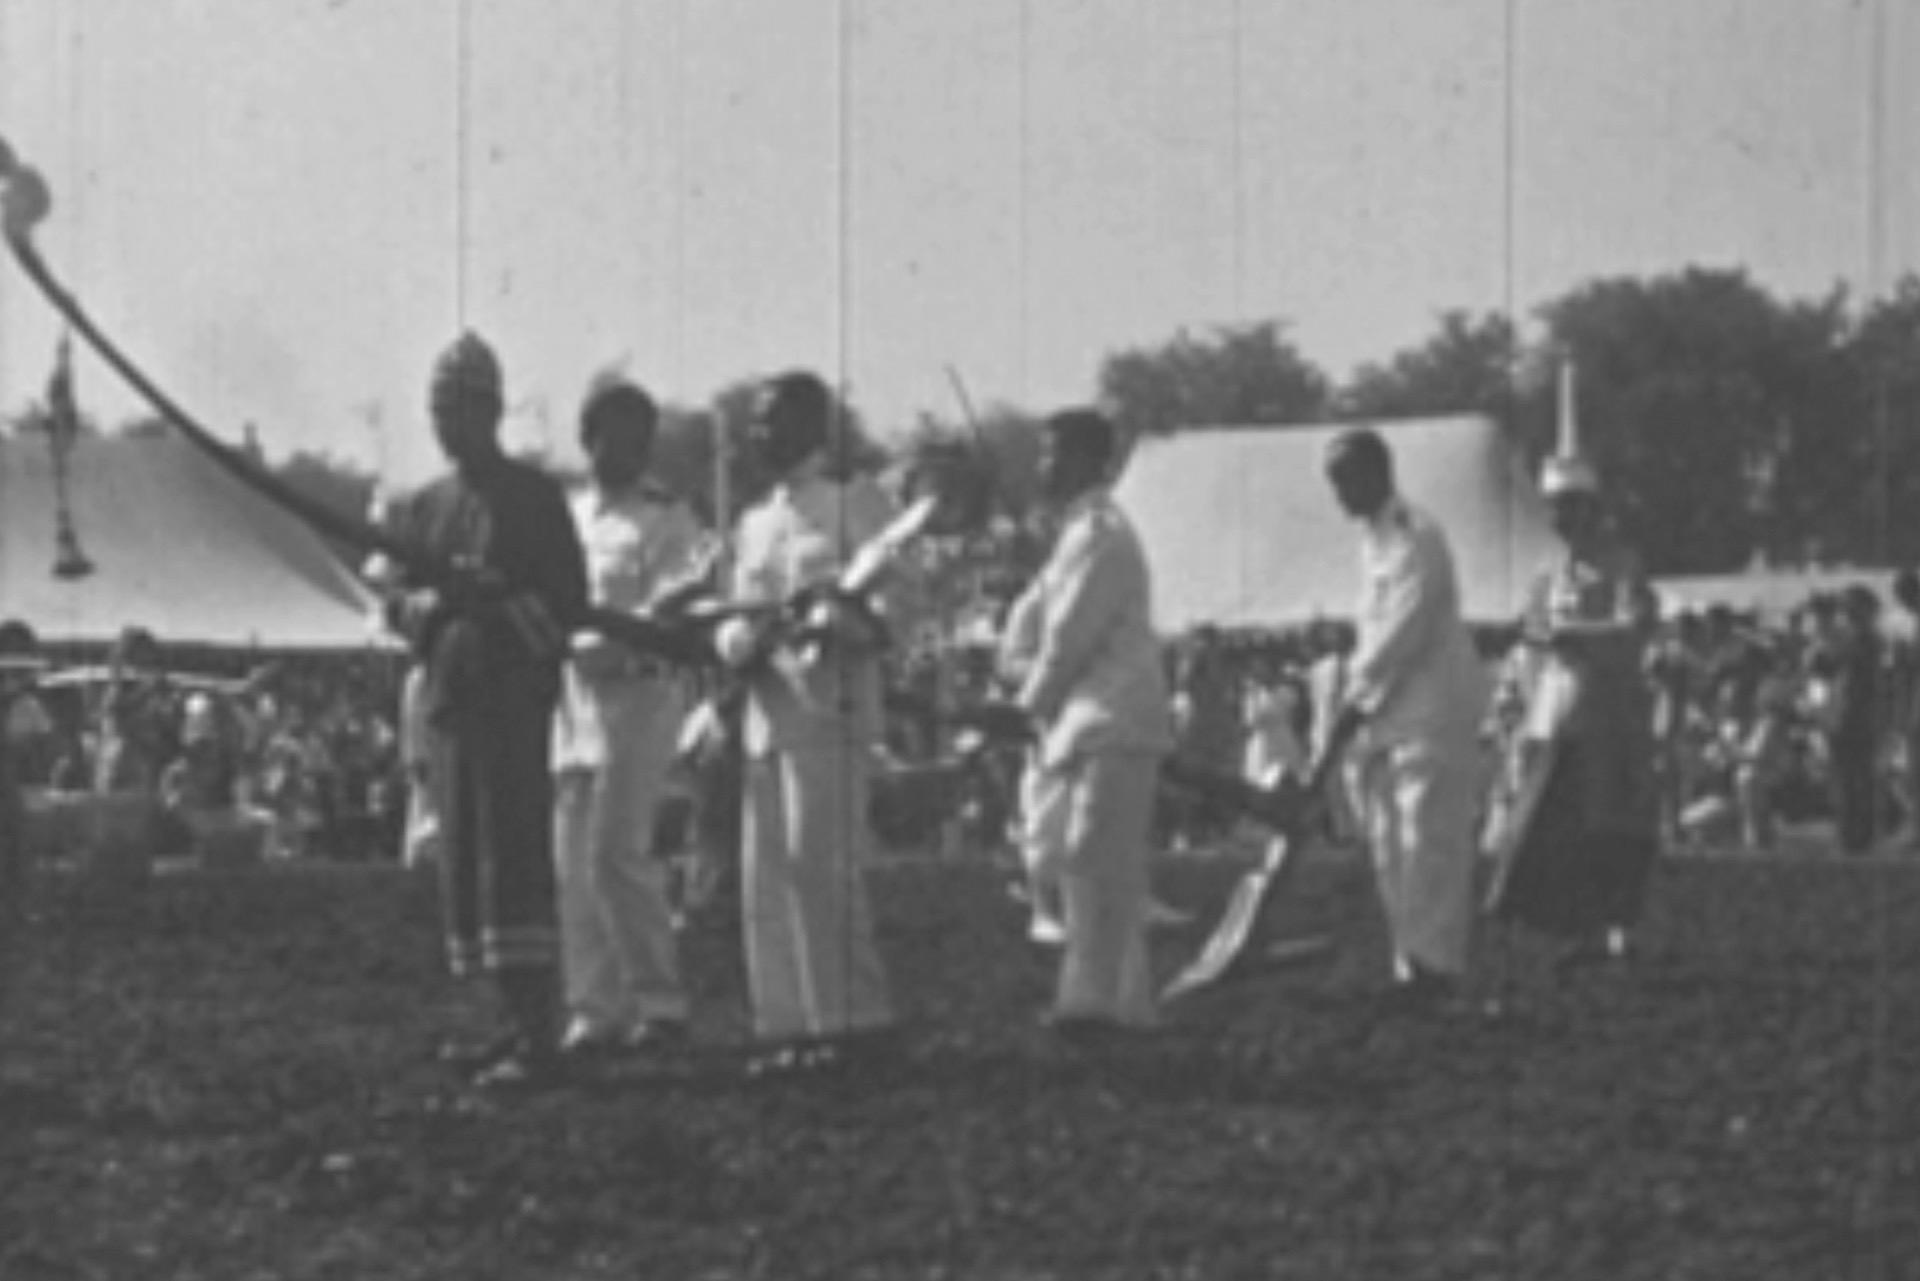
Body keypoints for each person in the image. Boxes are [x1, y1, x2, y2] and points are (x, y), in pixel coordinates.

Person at [383, 332, 590, 1089]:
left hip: (511, 702)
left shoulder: (534, 499)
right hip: (451, 699)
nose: (448, 425)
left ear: (493, 411)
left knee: (514, 862)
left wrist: (501, 599)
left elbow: (569, 604)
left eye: (462, 409)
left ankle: (537, 1031)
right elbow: (396, 602)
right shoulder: (424, 506)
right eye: (439, 411)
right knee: (464, 864)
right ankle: (495, 1021)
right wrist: (432, 604)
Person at [713, 371, 899, 1075]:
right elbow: (733, 613)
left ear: (813, 425)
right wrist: (740, 642)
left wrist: (839, 621)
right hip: (767, 713)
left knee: (821, 868)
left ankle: (849, 1020)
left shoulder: (856, 503)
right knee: (767, 880)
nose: (760, 434)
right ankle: (785, 1024)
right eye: (756, 422)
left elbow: (894, 606)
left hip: (830, 708)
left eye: (773, 420)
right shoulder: (756, 521)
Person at [1002, 408, 1174, 1040]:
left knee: (1092, 861)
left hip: (1113, 718)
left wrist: (1022, 706)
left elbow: (1068, 640)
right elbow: (1028, 632)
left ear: (1085, 460)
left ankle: (1088, 1008)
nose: (1041, 466)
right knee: (1087, 864)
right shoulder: (1072, 536)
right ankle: (1127, 1006)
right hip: (1082, 723)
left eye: (1051, 454)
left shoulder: (1100, 534)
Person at [551, 375, 706, 1059]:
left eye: (641, 437)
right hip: (573, 697)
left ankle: (658, 1000)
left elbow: (678, 600)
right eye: (615, 435)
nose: (630, 450)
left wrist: (612, 635)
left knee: (618, 852)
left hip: (637, 693)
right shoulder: (566, 516)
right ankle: (594, 1007)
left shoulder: (667, 517)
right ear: (588, 439)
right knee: (572, 860)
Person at [1320, 427, 1488, 1008]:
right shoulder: (1371, 542)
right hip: (1387, 717)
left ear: (1378, 472)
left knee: (1428, 843)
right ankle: (1410, 964)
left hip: (1431, 713)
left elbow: (1403, 632)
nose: (1338, 495)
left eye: (1345, 480)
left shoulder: (1418, 536)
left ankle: (1436, 967)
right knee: (1388, 846)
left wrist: (1352, 698)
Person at [1486, 448, 1660, 968]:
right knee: (1557, 830)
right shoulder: (1548, 574)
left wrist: (1573, 634)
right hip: (1554, 718)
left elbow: (1632, 631)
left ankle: (1616, 927)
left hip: (1610, 718)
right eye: (1554, 507)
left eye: (1569, 505)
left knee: (1614, 825)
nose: (1560, 516)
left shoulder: (1623, 563)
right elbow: (1531, 642)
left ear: (1591, 507)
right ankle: (1572, 928)